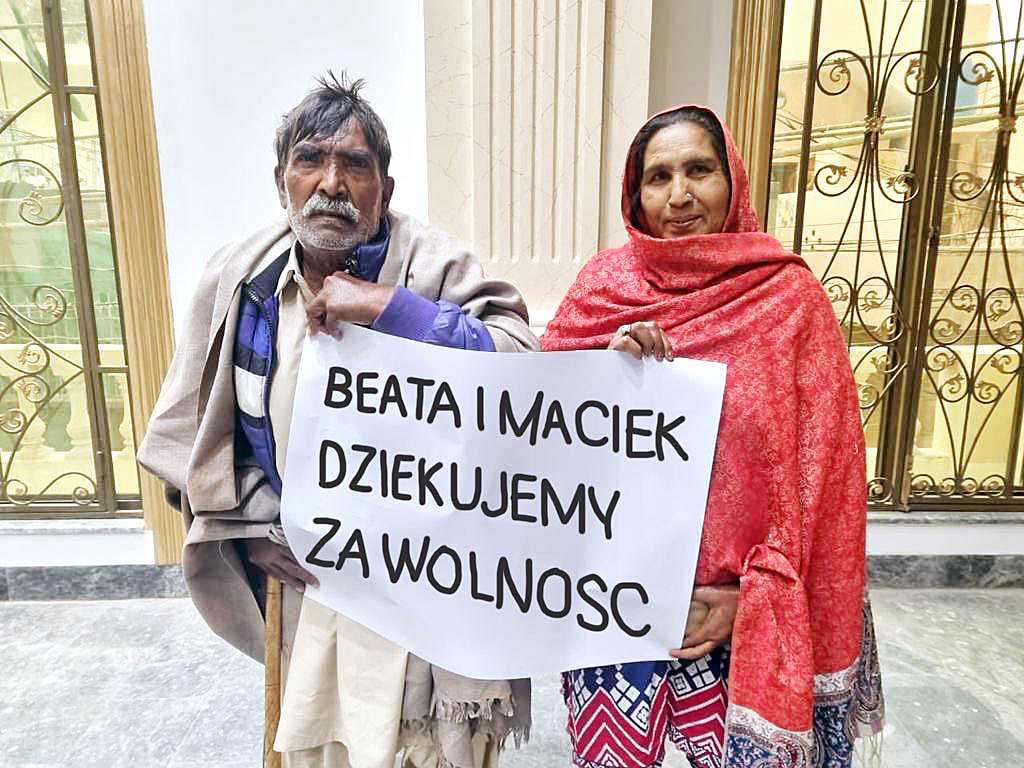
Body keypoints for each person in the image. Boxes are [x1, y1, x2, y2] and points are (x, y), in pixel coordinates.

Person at [137, 72, 535, 768]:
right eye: (310, 160)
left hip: (429, 579)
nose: (332, 182)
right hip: (310, 581)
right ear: (281, 181)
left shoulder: (435, 266)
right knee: (322, 747)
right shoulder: (242, 282)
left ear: (384, 187)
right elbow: (200, 435)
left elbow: (521, 367)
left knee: (429, 752)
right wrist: (250, 525)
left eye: (355, 164)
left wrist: (388, 306)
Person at [540, 105, 884, 768]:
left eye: (699, 170)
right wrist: (608, 376)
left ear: (733, 180)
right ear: (634, 196)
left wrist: (750, 598)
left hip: (734, 617)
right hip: (617, 600)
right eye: (658, 177)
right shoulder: (602, 289)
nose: (680, 195)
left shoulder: (787, 299)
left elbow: (826, 477)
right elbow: (541, 434)